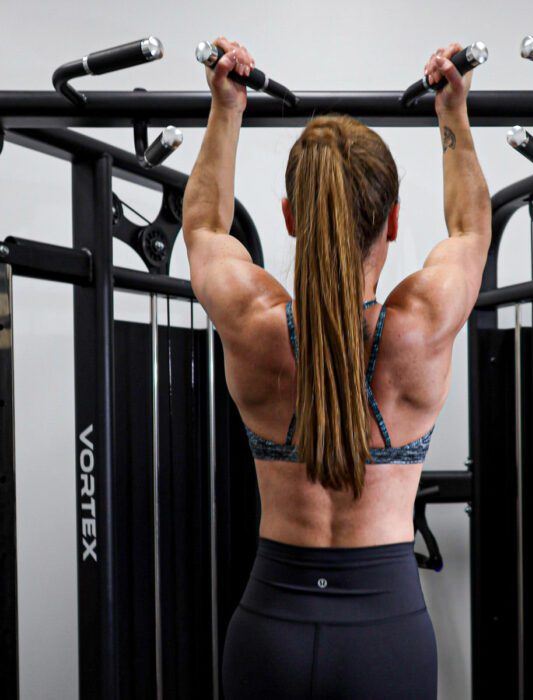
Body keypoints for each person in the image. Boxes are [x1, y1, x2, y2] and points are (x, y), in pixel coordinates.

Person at [182, 35, 491, 700]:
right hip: (386, 637)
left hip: (271, 633)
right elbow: (470, 230)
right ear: (395, 221)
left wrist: (225, 109)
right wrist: (452, 115)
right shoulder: (422, 323)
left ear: (291, 219)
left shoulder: (253, 321)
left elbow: (205, 226)